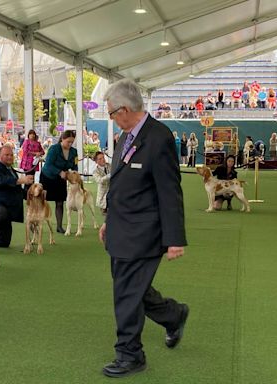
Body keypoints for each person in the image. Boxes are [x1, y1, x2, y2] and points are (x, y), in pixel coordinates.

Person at [99, 79, 188, 378]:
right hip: (120, 229)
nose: (111, 117)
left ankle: (130, 354)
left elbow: (169, 190)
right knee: (133, 288)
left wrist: (174, 239)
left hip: (143, 232)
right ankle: (174, 315)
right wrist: (108, 221)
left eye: (111, 112)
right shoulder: (124, 137)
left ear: (124, 110)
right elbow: (119, 187)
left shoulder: (159, 137)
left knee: (126, 292)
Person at [0, 145, 33, 252]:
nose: (10, 157)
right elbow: (0, 180)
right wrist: (20, 181)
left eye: (11, 155)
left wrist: (32, 196)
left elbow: (16, 189)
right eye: (7, 155)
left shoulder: (11, 170)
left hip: (6, 210)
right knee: (1, 212)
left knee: (4, 242)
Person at [40, 130, 78, 234]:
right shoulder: (54, 149)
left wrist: (73, 174)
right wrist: (59, 171)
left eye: (72, 142)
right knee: (42, 202)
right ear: (62, 139)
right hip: (48, 177)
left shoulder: (74, 152)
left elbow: (75, 165)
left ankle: (59, 226)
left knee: (60, 202)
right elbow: (48, 165)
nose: (70, 144)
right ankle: (38, 224)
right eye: (68, 141)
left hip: (61, 179)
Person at [92, 151, 110, 215]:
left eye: (103, 157)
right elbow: (100, 181)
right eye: (100, 159)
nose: (103, 160)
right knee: (106, 217)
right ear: (96, 161)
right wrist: (108, 176)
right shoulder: (95, 172)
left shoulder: (110, 166)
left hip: (112, 195)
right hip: (103, 198)